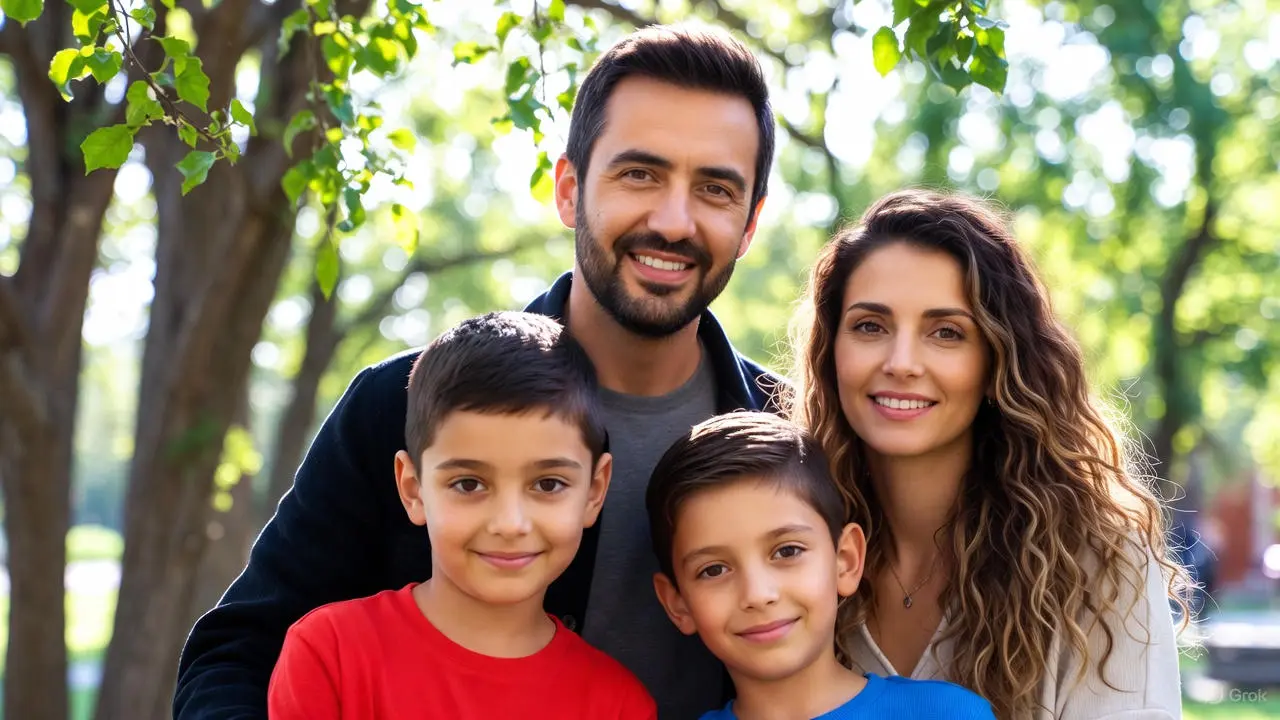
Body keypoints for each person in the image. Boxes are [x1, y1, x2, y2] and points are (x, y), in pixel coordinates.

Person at [175, 24, 781, 720]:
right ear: (569, 188)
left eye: (714, 189)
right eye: (639, 174)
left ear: (750, 223)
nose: (673, 221)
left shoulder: (795, 434)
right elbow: (236, 655)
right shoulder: (399, 405)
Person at [787, 188, 1190, 719]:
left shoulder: (1094, 561)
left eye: (946, 333)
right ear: (830, 349)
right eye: (870, 326)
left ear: (998, 360)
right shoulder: (790, 547)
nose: (901, 362)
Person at [266, 312, 656, 719]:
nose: (509, 523)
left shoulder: (618, 706)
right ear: (413, 489)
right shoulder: (331, 654)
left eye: (548, 484)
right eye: (469, 484)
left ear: (595, 491)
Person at [645, 411, 995, 720]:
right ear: (677, 602)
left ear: (846, 560)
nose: (758, 594)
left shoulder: (948, 714)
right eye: (714, 570)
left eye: (787, 551)